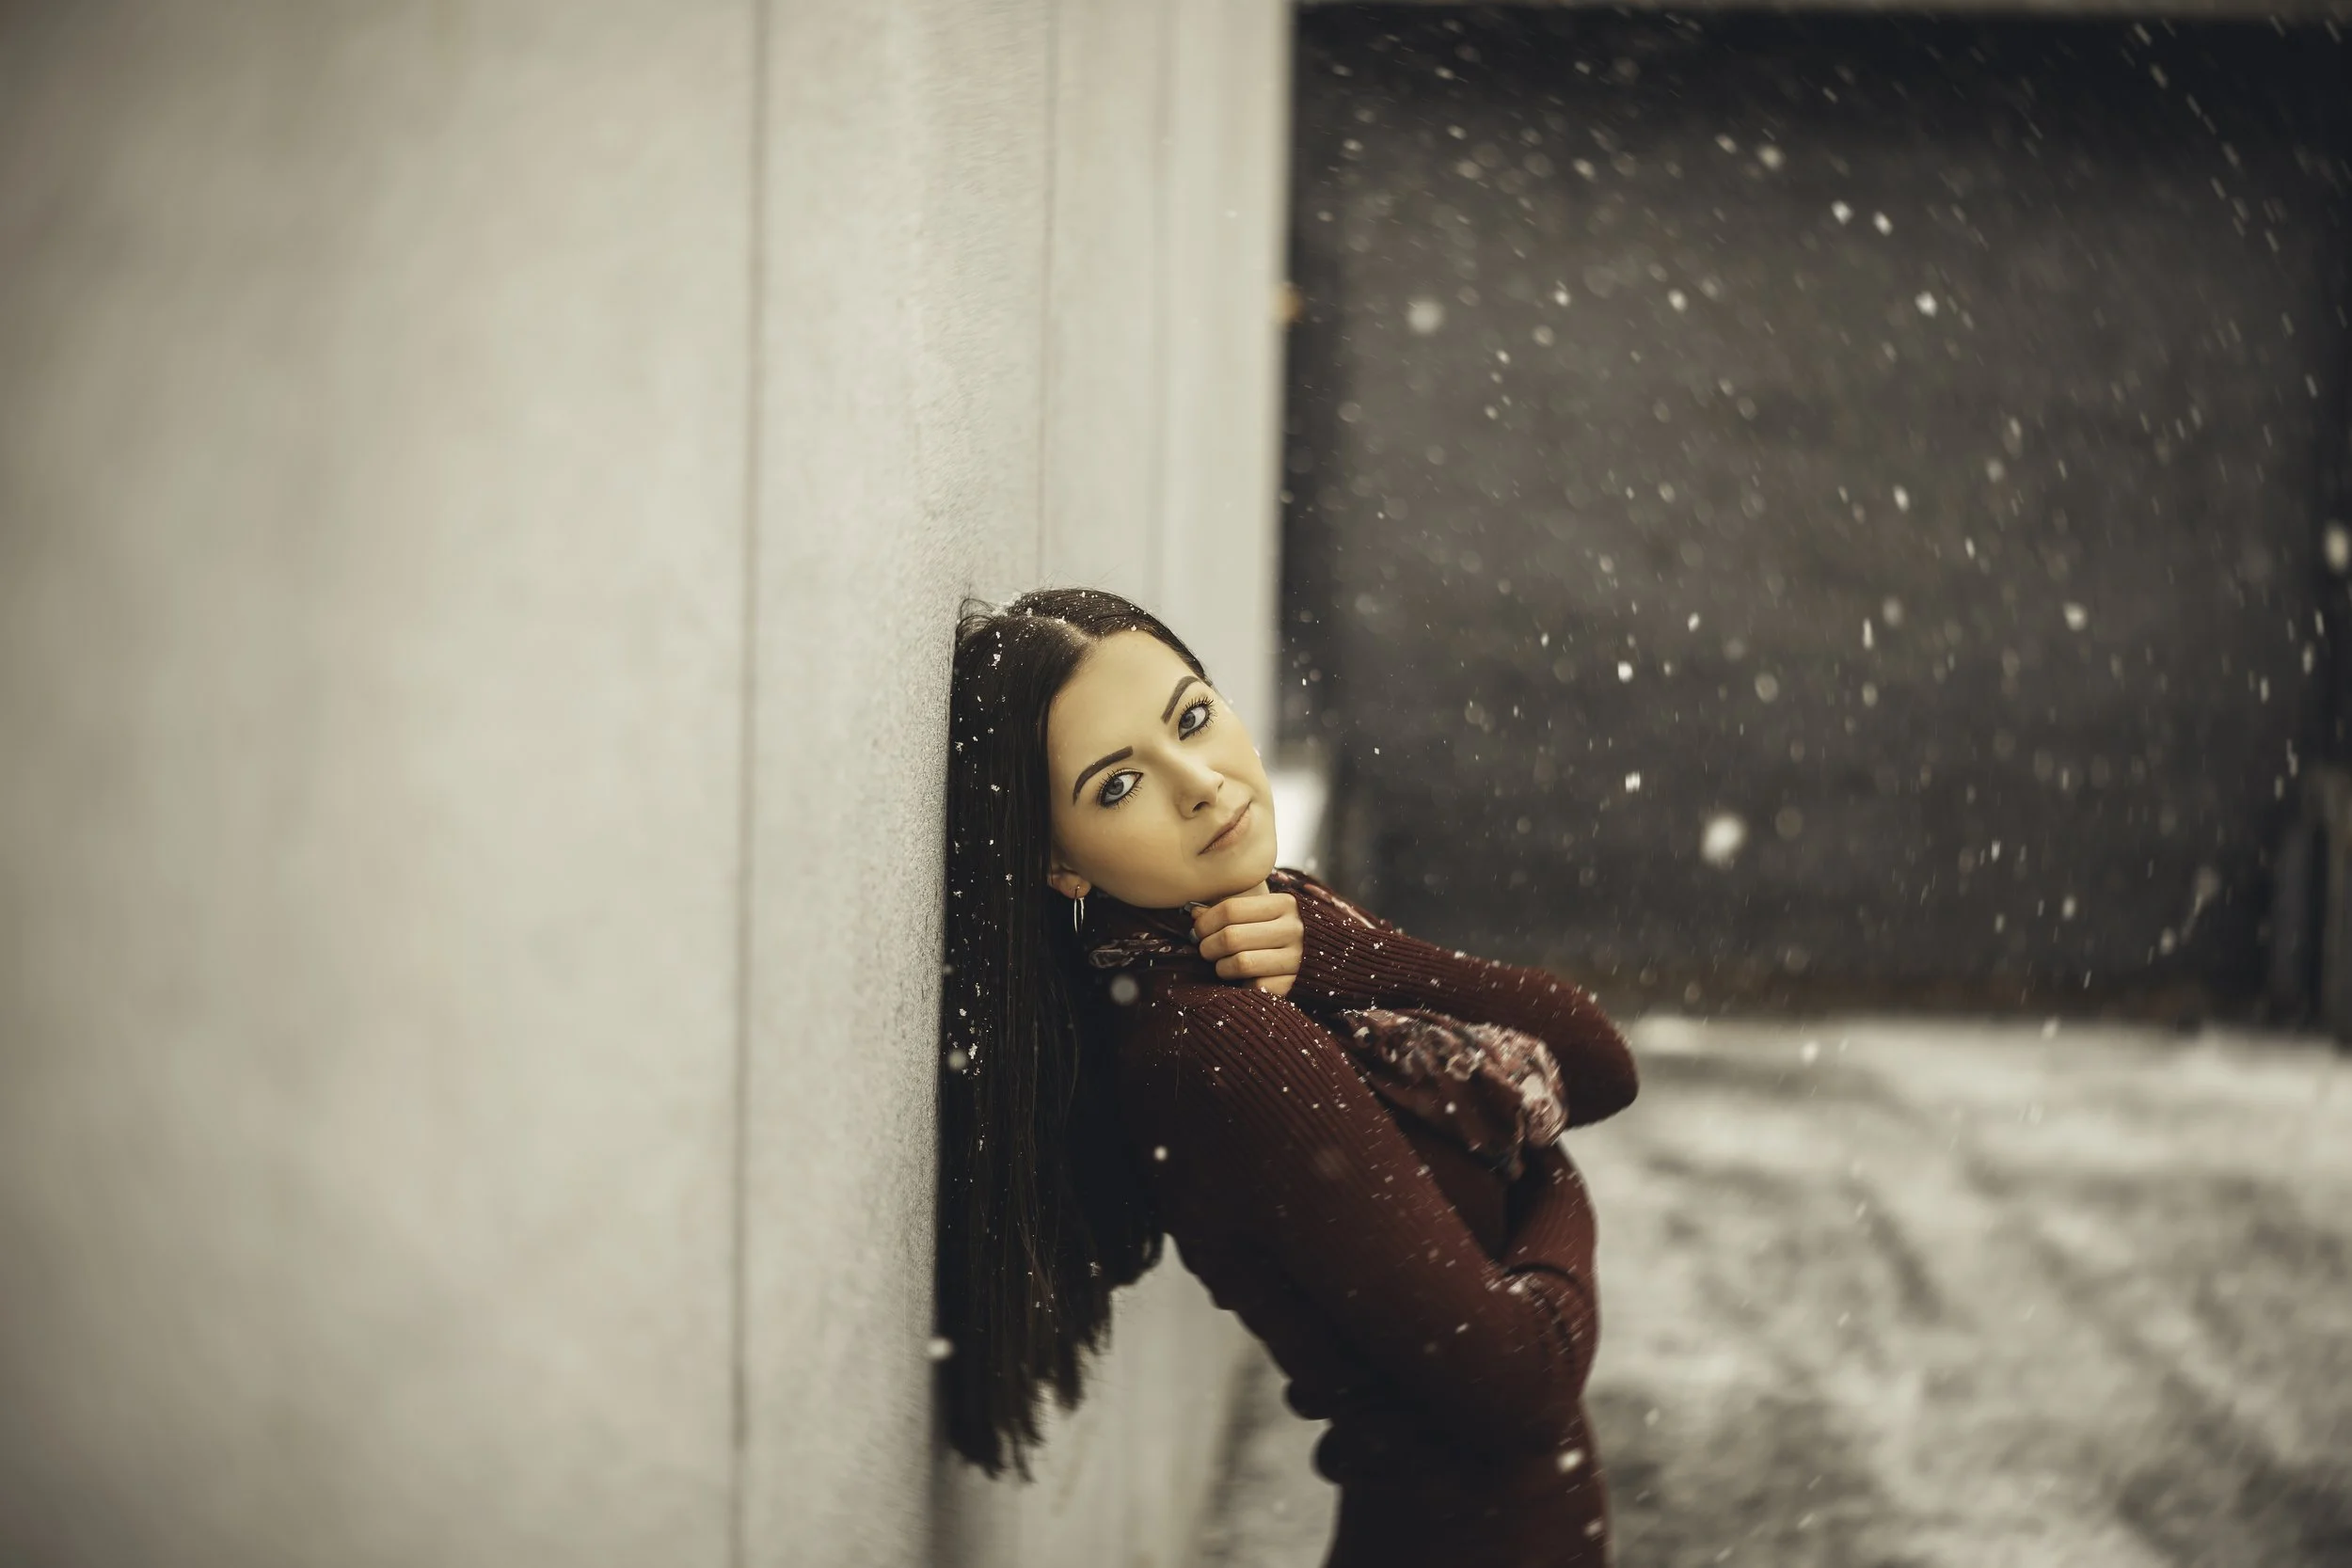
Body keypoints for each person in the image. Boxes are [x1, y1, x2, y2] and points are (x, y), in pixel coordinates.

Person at [934, 586, 1639, 1567]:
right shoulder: (1214, 1045)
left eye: (1190, 717)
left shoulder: (1253, 949)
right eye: (1116, 785)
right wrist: (1552, 1178)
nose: (1199, 783)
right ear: (1060, 862)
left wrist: (1339, 952)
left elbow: (1599, 1061)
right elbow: (1522, 1379)